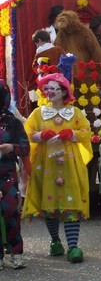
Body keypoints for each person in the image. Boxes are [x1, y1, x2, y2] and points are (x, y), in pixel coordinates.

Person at [23, 73, 92, 264]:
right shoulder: (38, 113)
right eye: (47, 88)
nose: (49, 92)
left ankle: (73, 246)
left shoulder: (75, 113)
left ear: (63, 91)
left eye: (54, 88)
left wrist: (72, 133)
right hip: (46, 166)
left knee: (71, 201)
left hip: (70, 165)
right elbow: (28, 133)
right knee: (50, 203)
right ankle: (55, 241)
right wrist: (41, 135)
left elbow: (86, 132)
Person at [0, 80, 30, 270]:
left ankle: (16, 253)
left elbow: (25, 147)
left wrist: (11, 147)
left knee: (10, 211)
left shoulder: (13, 122)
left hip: (7, 174)